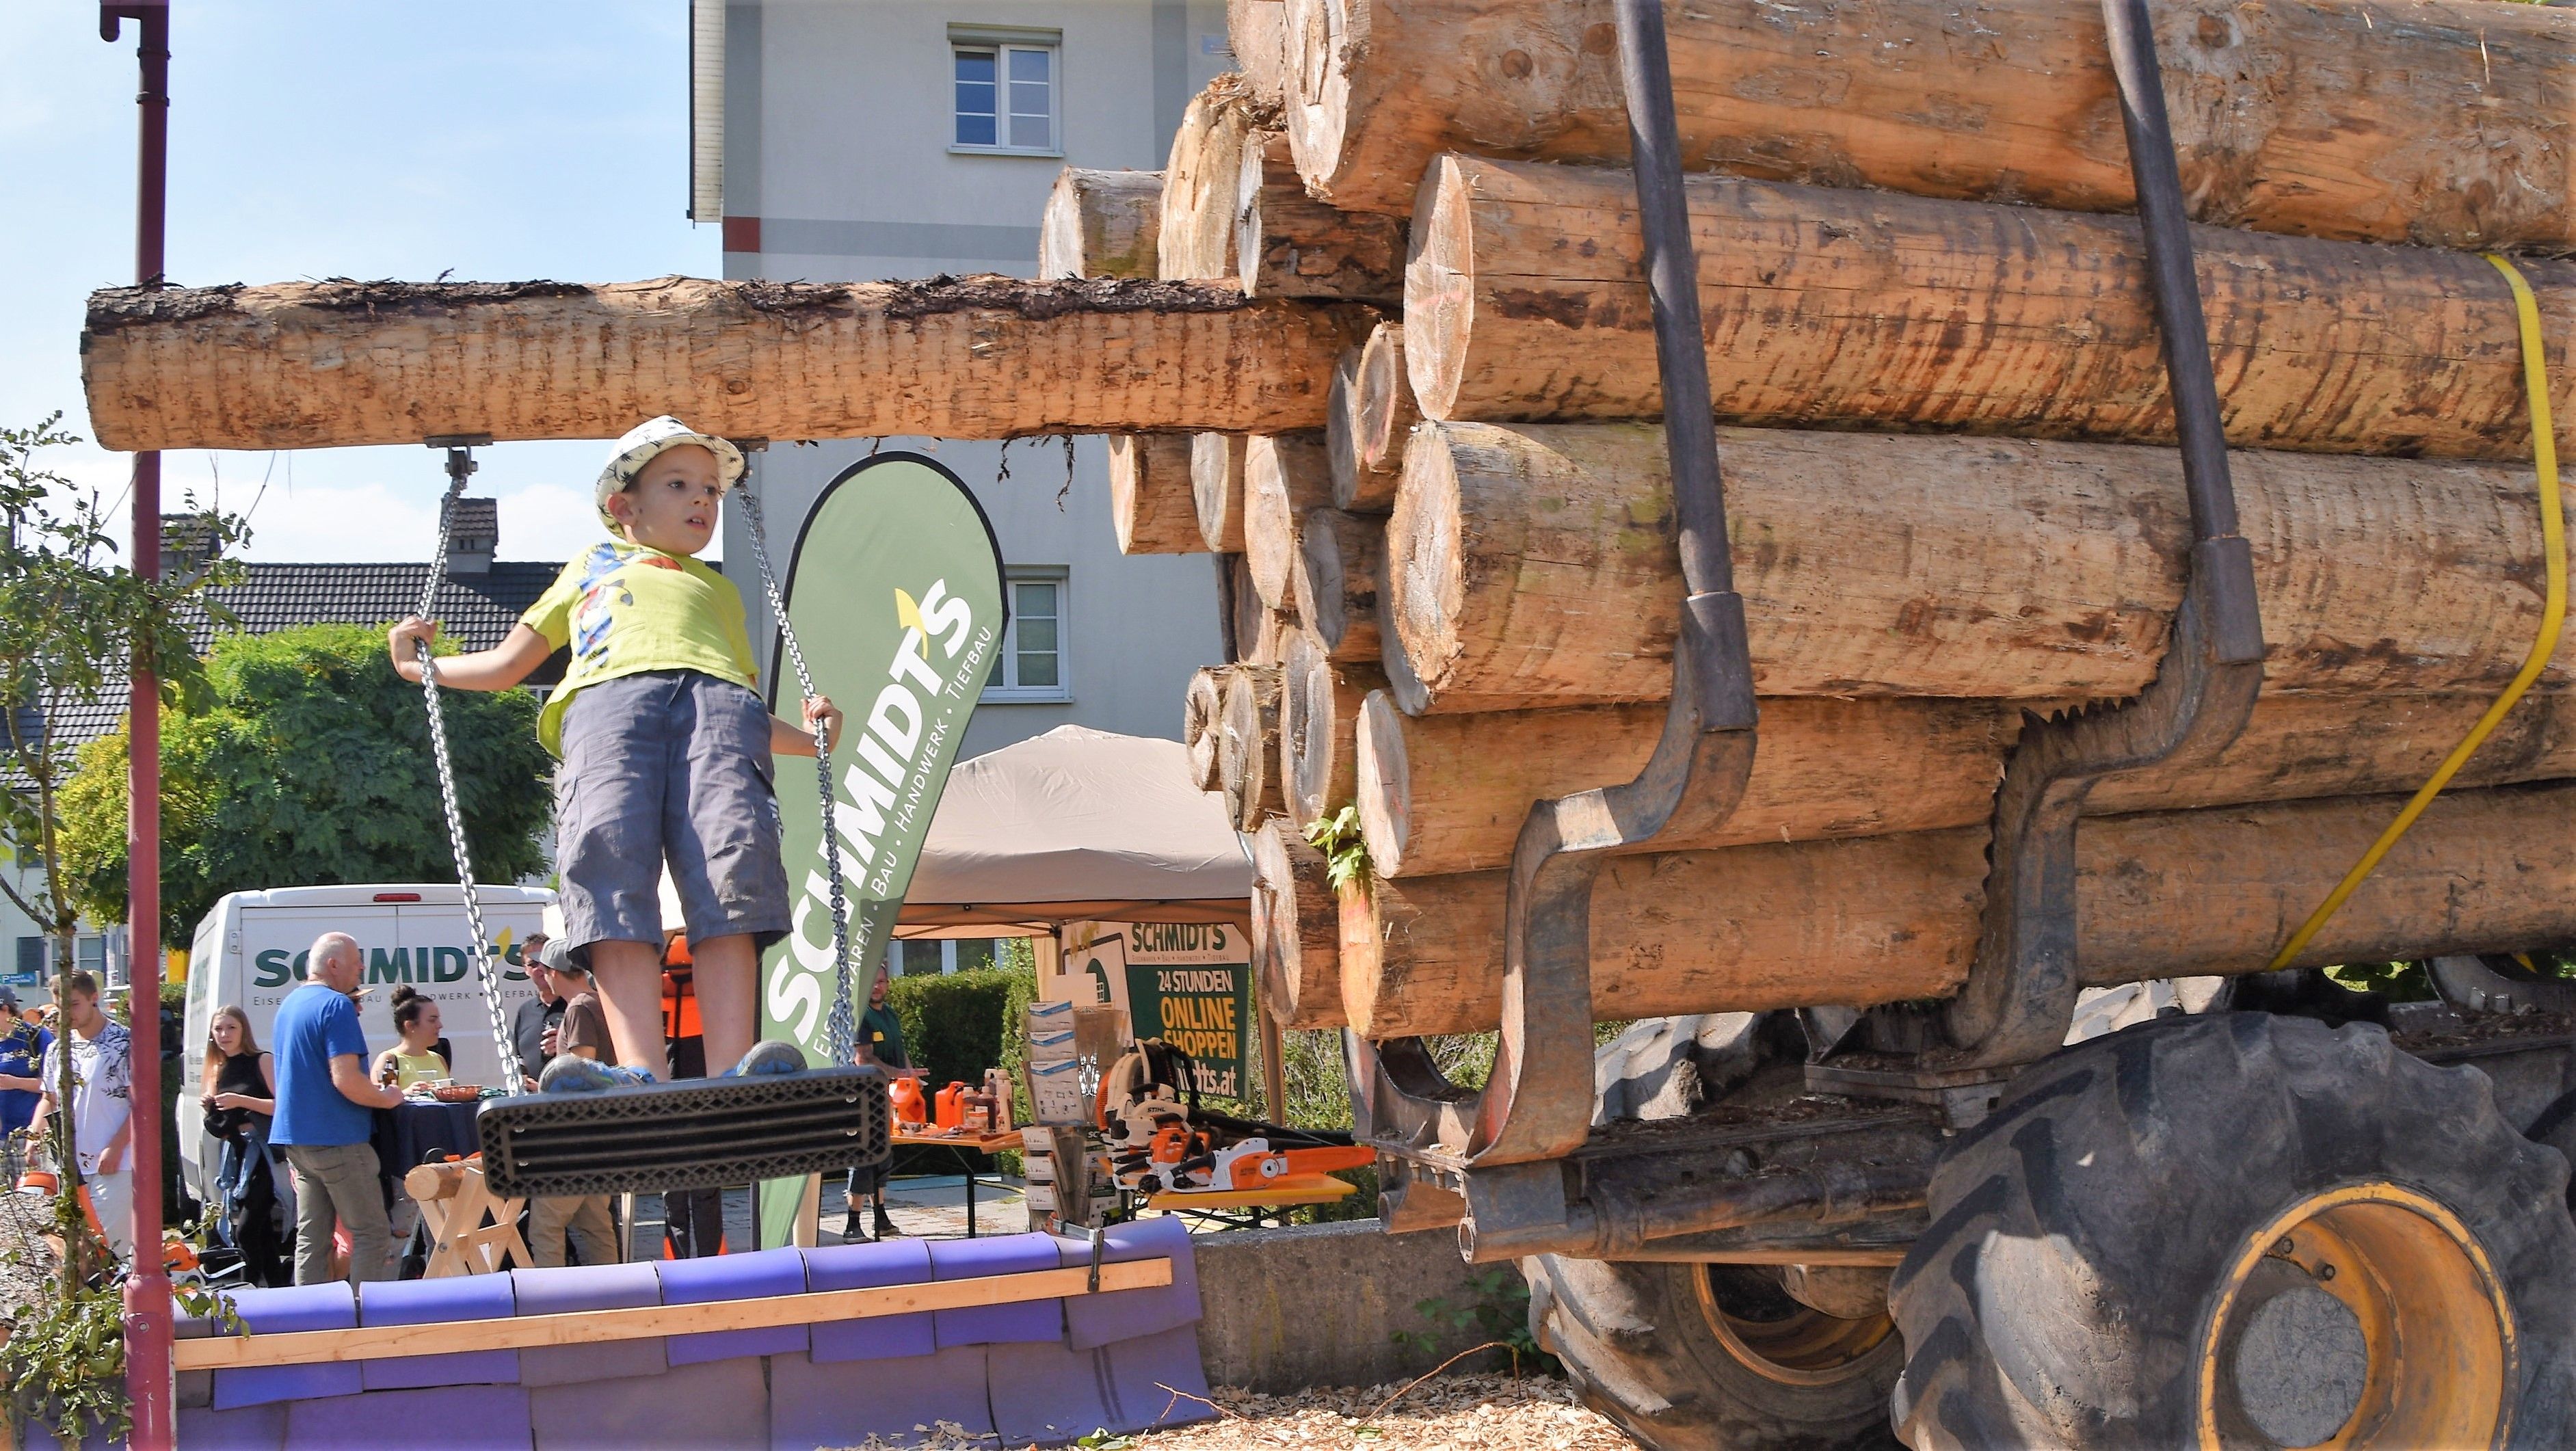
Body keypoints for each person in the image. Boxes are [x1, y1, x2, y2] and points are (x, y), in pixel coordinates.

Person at [389, 416, 840, 1080]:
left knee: (732, 864)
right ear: (623, 507)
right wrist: (420, 667)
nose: (702, 498)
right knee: (608, 862)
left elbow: (745, 707)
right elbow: (510, 664)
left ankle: (732, 1067)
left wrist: (814, 741)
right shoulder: (591, 566)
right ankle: (638, 1066)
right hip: (609, 709)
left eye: (712, 489)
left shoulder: (719, 590)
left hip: (717, 708)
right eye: (679, 484)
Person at [270, 932, 404, 1285]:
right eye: (357, 962)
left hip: (297, 1140)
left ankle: (310, 1314)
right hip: (338, 1138)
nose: (361, 969)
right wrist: (388, 1097)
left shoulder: (290, 1004)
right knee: (372, 1233)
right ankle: (365, 1314)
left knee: (312, 1239)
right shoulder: (337, 1005)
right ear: (333, 965)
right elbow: (346, 1080)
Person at [27, 972, 133, 1260]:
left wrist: (116, 1147)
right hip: (69, 1165)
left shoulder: (124, 1042)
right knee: (75, 1253)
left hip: (117, 1163)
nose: (66, 1014)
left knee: (108, 1250)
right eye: (60, 1006)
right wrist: (34, 1133)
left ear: (93, 998)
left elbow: (142, 1106)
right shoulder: (57, 1048)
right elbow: (49, 1099)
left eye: (73, 1004)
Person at [526, 959, 620, 1267]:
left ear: (554, 972)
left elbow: (582, 1075)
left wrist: (543, 1088)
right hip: (600, 1137)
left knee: (546, 1228)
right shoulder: (601, 1002)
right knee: (597, 1227)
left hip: (573, 1139)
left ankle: (552, 1294)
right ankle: (613, 1290)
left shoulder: (579, 1006)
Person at [201, 1004, 291, 1285]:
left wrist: (241, 1101)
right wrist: (210, 1106)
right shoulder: (217, 1067)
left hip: (264, 1153)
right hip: (237, 1153)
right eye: (218, 1029)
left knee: (247, 1231)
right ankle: (277, 1289)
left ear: (244, 1031)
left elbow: (282, 1105)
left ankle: (248, 1289)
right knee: (260, 1231)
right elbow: (218, 1119)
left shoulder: (261, 1060)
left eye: (231, 1028)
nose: (224, 1034)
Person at [843, 963, 909, 1241]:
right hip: (863, 1098)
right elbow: (864, 1059)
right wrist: (900, 1074)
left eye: (881, 981)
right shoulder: (861, 1016)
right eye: (872, 981)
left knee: (883, 1158)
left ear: (888, 984)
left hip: (887, 1097)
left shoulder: (889, 1013)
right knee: (863, 1159)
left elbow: (901, 1052)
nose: (877, 986)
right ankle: (852, 1226)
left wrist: (911, 1077)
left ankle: (881, 1219)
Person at [0, 987, 52, 1184]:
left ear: (6, 1010)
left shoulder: (34, 1037)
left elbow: (53, 1087)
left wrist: (15, 1082)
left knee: (31, 1193)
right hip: (1, 1135)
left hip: (28, 1134)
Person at [510, 935, 564, 1091]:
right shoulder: (525, 1011)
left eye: (543, 961)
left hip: (572, 1099)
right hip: (532, 1101)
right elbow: (519, 1058)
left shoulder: (575, 1005)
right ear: (526, 970)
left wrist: (564, 1044)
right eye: (533, 964)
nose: (540, 968)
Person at [372, 986, 450, 1090]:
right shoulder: (389, 1059)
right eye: (432, 1020)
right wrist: (407, 1093)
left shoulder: (439, 1059)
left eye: (438, 1019)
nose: (440, 1025)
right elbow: (378, 1097)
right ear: (410, 1026)